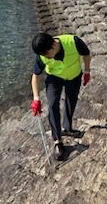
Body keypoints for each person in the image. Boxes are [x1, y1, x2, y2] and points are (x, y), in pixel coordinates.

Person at [30, 33, 91, 161]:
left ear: (53, 46)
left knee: (71, 100)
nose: (44, 57)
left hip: (74, 76)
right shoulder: (42, 55)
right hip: (54, 78)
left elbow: (86, 54)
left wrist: (87, 71)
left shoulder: (73, 41)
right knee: (52, 105)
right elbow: (36, 76)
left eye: (46, 54)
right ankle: (57, 141)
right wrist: (36, 98)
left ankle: (67, 128)